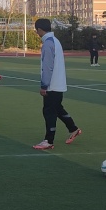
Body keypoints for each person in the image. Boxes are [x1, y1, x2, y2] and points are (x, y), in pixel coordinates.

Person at [33, 19, 82, 150]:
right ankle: (73, 128)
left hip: (52, 85)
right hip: (58, 83)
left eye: (36, 30)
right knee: (57, 108)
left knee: (49, 112)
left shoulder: (48, 44)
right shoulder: (55, 41)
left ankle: (49, 140)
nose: (36, 32)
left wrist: (44, 86)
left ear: (39, 30)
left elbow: (47, 66)